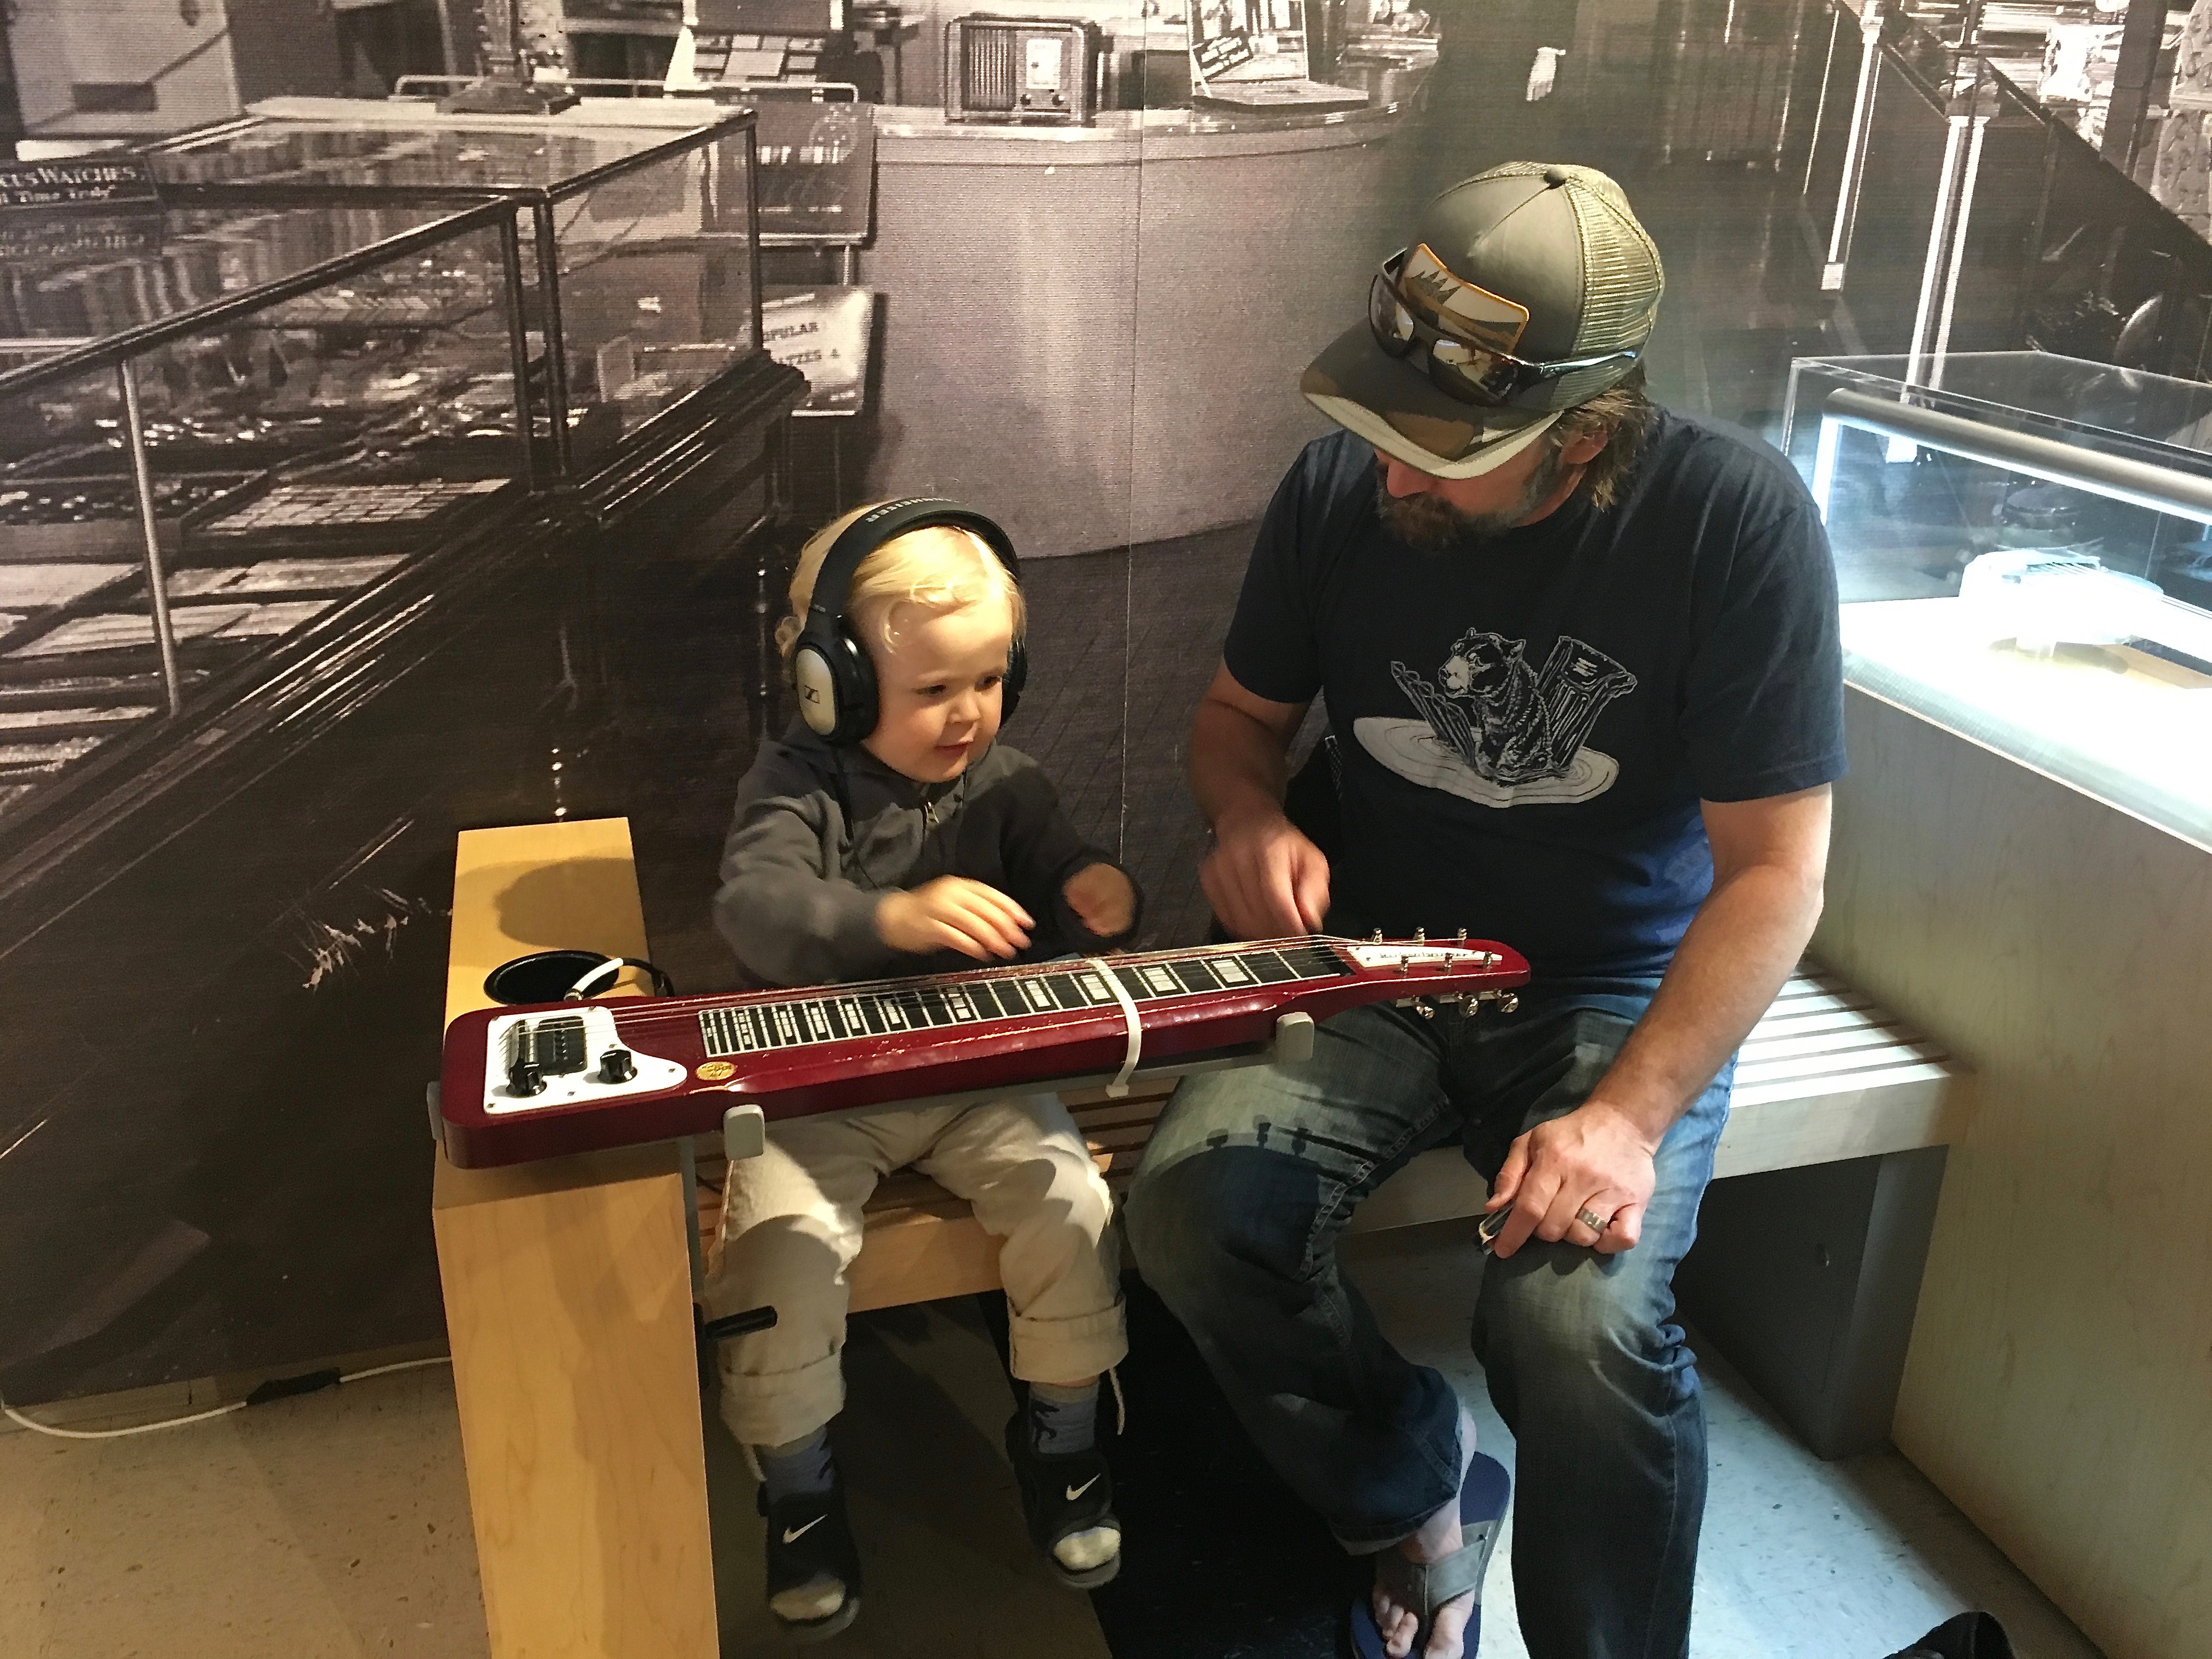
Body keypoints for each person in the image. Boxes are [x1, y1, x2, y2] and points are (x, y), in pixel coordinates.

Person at [1122, 162, 1845, 1659]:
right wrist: (1249, 818)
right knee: (1197, 1215)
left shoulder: (1733, 521)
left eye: (1442, 452)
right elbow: (1236, 721)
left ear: (1581, 432)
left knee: (1578, 1329)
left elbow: (1778, 873)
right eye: (1382, 430)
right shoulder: (1336, 489)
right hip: (1377, 961)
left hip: (1610, 988)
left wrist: (1625, 1120)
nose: (1392, 478)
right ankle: (1412, 1488)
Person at [703, 499, 1142, 1640]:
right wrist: (889, 917)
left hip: (977, 1077)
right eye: (934, 689)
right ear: (832, 687)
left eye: (990, 680)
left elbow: (1061, 878)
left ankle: (1063, 1439)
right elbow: (755, 909)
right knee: (777, 1252)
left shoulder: (1010, 781)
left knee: (1072, 1203)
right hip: (822, 1088)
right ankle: (797, 1489)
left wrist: (1094, 892)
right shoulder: (794, 783)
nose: (968, 714)